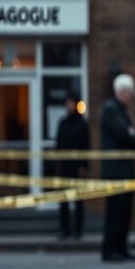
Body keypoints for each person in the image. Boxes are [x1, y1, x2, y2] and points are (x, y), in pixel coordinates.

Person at [100, 74, 135, 262]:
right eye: (129, 93)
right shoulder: (112, 111)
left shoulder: (121, 111)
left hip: (124, 171)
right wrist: (133, 136)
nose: (131, 98)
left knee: (125, 212)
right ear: (121, 91)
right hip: (116, 172)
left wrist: (134, 135)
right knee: (116, 212)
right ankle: (110, 249)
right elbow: (127, 135)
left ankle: (121, 247)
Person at [55, 91, 90, 240]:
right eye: (67, 103)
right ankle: (65, 229)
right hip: (65, 166)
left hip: (77, 168)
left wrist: (84, 166)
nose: (68, 106)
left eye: (71, 103)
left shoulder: (82, 124)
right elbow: (59, 144)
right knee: (63, 199)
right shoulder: (62, 123)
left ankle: (78, 230)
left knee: (78, 200)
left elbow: (86, 146)